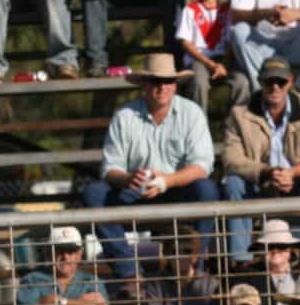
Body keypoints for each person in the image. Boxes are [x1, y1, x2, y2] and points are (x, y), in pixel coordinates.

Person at [81, 54, 220, 284]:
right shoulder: (124, 116)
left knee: (207, 190)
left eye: (168, 81)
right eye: (156, 81)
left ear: (175, 85)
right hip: (135, 191)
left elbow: (202, 166)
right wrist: (129, 178)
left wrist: (167, 181)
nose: (162, 87)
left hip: (178, 190)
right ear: (144, 85)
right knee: (94, 193)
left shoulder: (192, 113)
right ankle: (129, 273)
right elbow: (110, 169)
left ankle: (194, 267)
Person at [219, 56, 300, 261]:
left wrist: (296, 171)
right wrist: (267, 172)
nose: (275, 87)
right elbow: (231, 158)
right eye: (269, 82)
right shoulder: (238, 114)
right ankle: (241, 264)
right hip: (259, 184)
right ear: (260, 82)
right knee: (233, 184)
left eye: (281, 82)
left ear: (290, 82)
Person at [175, 0, 244, 115]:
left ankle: (235, 124)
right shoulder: (190, 10)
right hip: (199, 60)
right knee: (198, 81)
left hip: (224, 59)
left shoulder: (228, 10)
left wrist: (224, 64)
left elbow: (232, 40)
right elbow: (185, 42)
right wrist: (209, 63)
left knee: (242, 82)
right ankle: (199, 125)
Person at [237, 218, 300, 305]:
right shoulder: (248, 276)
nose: (275, 250)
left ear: (290, 249)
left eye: (281, 246)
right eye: (270, 246)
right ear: (261, 249)